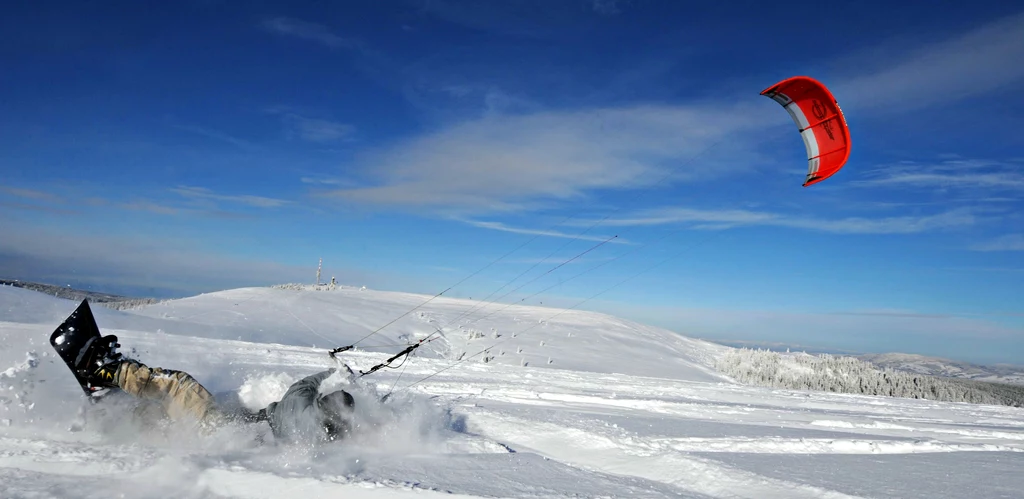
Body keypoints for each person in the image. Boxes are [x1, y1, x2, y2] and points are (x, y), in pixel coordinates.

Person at [88, 357, 356, 443]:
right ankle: (116, 420)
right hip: (235, 435)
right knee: (171, 419)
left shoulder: (301, 403)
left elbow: (305, 383)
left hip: (225, 425)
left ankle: (111, 372)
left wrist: (336, 372)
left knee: (180, 385)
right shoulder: (328, 436)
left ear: (325, 404)